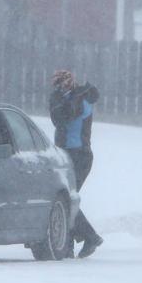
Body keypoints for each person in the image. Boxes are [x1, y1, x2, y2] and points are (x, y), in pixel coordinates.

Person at [49, 69, 104, 258]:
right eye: (57, 85)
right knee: (66, 200)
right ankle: (70, 244)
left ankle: (89, 237)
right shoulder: (59, 98)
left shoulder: (84, 98)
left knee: (68, 199)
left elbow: (71, 114)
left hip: (80, 155)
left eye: (63, 84)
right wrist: (65, 100)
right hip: (64, 154)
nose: (59, 88)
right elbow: (58, 119)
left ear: (70, 83)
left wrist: (71, 99)